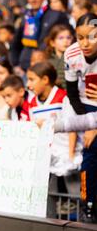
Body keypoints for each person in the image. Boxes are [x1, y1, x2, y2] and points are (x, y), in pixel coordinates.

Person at [27, 62, 83, 217]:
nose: (28, 85)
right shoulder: (32, 103)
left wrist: (71, 155)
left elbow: (72, 127)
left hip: (68, 153)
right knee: (48, 194)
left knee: (76, 195)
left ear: (45, 79)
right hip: (49, 156)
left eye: (32, 80)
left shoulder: (63, 97)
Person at [64, 13, 97, 221]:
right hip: (87, 106)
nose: (85, 43)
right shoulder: (71, 55)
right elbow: (73, 95)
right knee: (90, 153)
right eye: (80, 37)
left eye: (91, 37)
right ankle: (89, 205)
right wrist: (90, 124)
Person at [12, 0, 70, 72]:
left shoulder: (56, 15)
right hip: (25, 67)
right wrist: (15, 64)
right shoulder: (25, 17)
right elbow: (16, 42)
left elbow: (69, 38)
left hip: (48, 66)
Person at [45, 24, 75, 89]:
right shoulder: (47, 61)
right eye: (61, 38)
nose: (65, 41)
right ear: (52, 42)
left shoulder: (75, 58)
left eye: (68, 38)